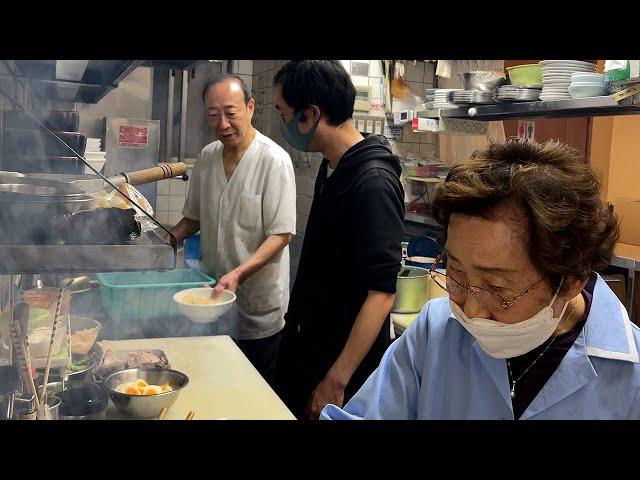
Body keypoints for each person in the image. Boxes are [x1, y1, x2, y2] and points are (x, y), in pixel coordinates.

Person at [320, 138, 640, 420]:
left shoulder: (632, 377)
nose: (470, 311)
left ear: (570, 281)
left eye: (498, 288)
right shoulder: (435, 330)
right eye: (456, 273)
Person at [272, 60, 405, 420]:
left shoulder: (373, 183)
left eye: (284, 114)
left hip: (340, 365)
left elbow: (381, 293)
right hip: (308, 346)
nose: (283, 124)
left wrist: (336, 379)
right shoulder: (332, 164)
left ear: (311, 114)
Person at [170, 74, 296, 387]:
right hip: (211, 301)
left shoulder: (274, 161)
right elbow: (193, 218)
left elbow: (282, 235)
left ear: (250, 107)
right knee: (212, 384)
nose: (223, 123)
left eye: (231, 112)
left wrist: (238, 274)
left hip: (257, 308)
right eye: (213, 115)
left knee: (253, 392)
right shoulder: (207, 157)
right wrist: (164, 240)